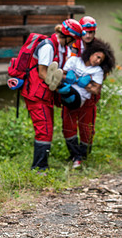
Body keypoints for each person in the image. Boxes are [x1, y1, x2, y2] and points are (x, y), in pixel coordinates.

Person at [21, 19, 84, 173]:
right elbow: (43, 72)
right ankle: (39, 168)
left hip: (45, 95)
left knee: (47, 128)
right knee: (44, 129)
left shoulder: (59, 47)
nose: (73, 43)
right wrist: (59, 84)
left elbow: (54, 72)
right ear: (68, 36)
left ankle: (41, 166)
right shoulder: (48, 47)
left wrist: (67, 78)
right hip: (36, 95)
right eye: (73, 40)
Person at [61, 38, 115, 169]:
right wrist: (71, 79)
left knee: (86, 129)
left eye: (100, 60)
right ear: (90, 52)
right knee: (68, 127)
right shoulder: (74, 61)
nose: (97, 61)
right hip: (70, 99)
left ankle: (82, 156)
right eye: (97, 57)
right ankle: (74, 155)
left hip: (85, 102)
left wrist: (79, 81)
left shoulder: (98, 71)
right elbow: (61, 74)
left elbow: (96, 89)